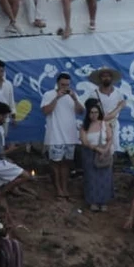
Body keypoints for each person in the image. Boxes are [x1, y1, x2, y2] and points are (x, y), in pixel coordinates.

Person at [41, 73, 84, 201]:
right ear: (57, 83)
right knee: (55, 164)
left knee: (66, 164)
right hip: (55, 135)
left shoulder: (73, 95)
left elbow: (81, 111)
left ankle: (65, 189)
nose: (65, 87)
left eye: (67, 85)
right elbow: (45, 111)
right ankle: (58, 189)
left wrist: (75, 99)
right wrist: (57, 98)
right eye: (62, 85)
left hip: (70, 135)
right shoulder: (49, 94)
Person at [79, 98, 114, 213]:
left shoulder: (104, 124)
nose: (94, 115)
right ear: (88, 113)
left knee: (105, 178)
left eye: (96, 112)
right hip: (89, 154)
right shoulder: (84, 126)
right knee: (91, 178)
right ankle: (93, 202)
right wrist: (96, 149)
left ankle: (104, 202)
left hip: (104, 153)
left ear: (99, 113)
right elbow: (84, 142)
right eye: (91, 112)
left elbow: (109, 139)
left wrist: (104, 151)